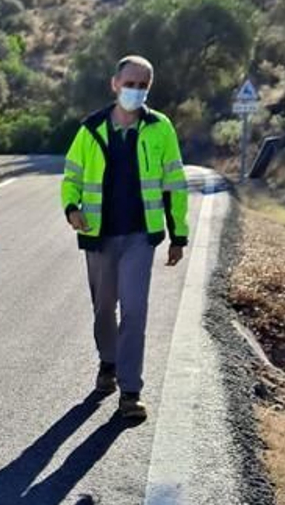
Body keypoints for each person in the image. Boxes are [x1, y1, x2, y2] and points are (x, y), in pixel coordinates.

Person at [61, 54, 189, 422]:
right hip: (99, 235)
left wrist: (178, 235)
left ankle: (131, 391)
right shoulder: (90, 130)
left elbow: (174, 182)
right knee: (104, 308)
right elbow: (71, 177)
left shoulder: (160, 128)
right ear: (114, 84)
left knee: (134, 309)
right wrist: (71, 208)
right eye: (129, 83)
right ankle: (108, 362)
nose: (135, 90)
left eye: (142, 85)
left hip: (139, 236)